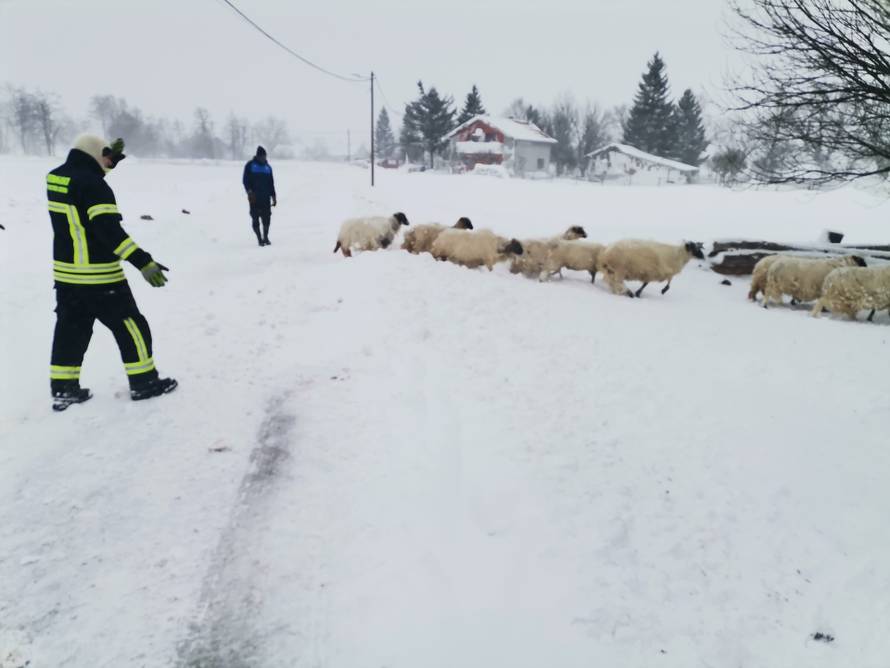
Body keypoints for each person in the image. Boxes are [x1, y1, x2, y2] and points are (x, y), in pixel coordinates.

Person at [46, 134, 177, 411]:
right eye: (110, 158)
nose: (111, 165)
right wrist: (143, 262)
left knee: (71, 329)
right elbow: (108, 231)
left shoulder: (56, 178)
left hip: (67, 275)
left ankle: (64, 388)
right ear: (96, 152)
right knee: (131, 326)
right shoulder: (94, 185)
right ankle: (144, 382)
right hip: (99, 275)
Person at [242, 145, 277, 246]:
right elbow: (245, 180)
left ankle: (265, 237)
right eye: (263, 156)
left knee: (267, 218)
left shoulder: (268, 168)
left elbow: (271, 183)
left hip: (265, 198)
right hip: (254, 198)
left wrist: (273, 196)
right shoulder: (250, 165)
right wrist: (249, 192)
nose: (264, 158)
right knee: (255, 218)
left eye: (265, 156)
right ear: (258, 156)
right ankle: (259, 238)